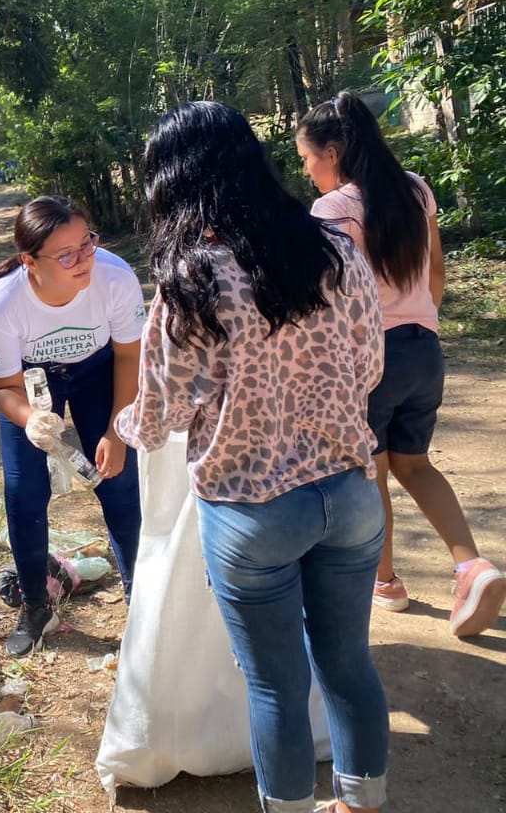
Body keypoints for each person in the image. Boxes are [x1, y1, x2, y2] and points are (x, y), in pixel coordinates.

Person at [116, 101, 388, 813]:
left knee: (276, 687)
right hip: (351, 493)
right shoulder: (335, 249)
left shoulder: (192, 284)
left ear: (175, 180)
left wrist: (121, 423)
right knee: (349, 664)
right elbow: (369, 368)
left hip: (252, 511)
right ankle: (362, 804)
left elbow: (161, 418)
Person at [299, 90, 506, 637]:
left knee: (373, 473)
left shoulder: (333, 210)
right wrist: (420, 321)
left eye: (308, 158)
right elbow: (435, 273)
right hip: (423, 349)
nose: (307, 171)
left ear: (333, 153)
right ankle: (472, 566)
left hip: (371, 358)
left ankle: (386, 581)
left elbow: (332, 299)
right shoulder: (416, 189)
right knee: (416, 464)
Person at [0, 195, 144, 657]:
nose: (83, 259)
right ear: (29, 261)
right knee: (25, 492)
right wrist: (31, 420)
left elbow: (130, 357)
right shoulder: (3, 305)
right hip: (32, 382)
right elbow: (4, 387)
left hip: (100, 369)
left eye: (87, 244)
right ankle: (36, 606)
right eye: (66, 255)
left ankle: (141, 601)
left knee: (120, 483)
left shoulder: (115, 278)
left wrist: (116, 431)